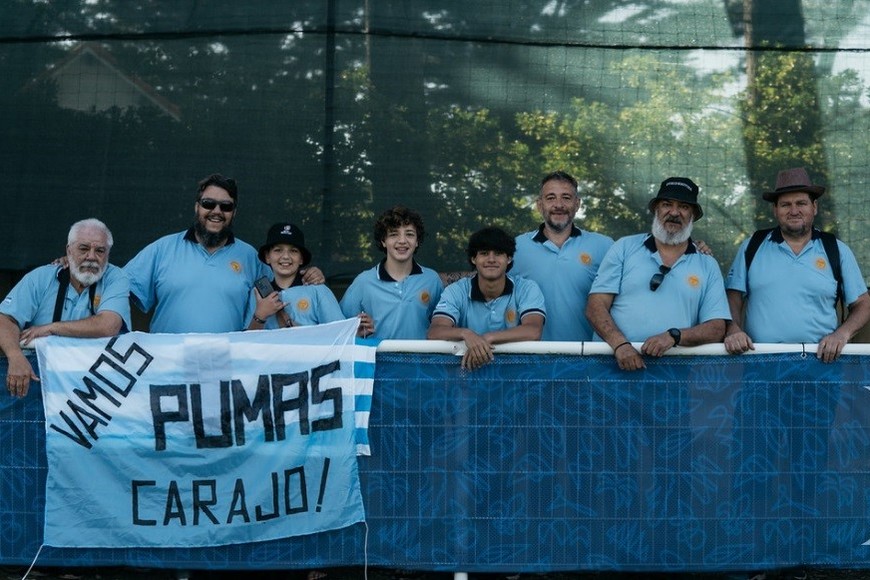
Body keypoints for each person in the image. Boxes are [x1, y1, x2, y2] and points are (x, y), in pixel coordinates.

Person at [124, 174, 322, 333]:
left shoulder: (249, 256)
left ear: (233, 212)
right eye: (208, 203)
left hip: (227, 372)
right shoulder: (162, 249)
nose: (216, 211)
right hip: (170, 368)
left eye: (226, 206)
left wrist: (308, 275)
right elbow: (119, 289)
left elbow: (280, 284)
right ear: (197, 206)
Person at [724, 167, 870, 362]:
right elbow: (733, 297)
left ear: (814, 207)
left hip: (821, 363)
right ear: (775, 210)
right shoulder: (752, 246)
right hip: (759, 362)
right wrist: (733, 328)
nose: (794, 211)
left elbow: (863, 304)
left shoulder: (836, 249)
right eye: (786, 205)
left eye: (801, 203)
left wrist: (842, 335)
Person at [586, 177, 730, 371]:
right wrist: (620, 345)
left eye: (684, 207)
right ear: (656, 209)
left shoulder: (708, 264)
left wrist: (673, 336)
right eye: (667, 204)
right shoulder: (624, 247)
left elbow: (716, 327)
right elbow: (595, 306)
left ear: (693, 215)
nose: (674, 212)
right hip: (613, 365)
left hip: (675, 372)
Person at [1, 218, 131, 397]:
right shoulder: (41, 277)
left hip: (96, 391)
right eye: (83, 248)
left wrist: (51, 328)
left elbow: (108, 325)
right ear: (69, 250)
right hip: (39, 388)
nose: (91, 256)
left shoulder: (116, 278)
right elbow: (5, 318)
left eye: (100, 250)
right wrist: (15, 356)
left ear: (108, 254)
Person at [512, 170, 614, 341]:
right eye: (550, 198)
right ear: (539, 205)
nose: (558, 204)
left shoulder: (605, 246)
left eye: (566, 197)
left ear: (577, 204)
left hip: (590, 357)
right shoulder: (515, 248)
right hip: (530, 356)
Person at [428, 226, 546, 370]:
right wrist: (467, 334)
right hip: (468, 376)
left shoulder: (527, 288)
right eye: (484, 253)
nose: (491, 259)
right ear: (473, 258)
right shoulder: (456, 291)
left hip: (516, 375)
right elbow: (435, 332)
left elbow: (533, 330)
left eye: (498, 253)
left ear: (508, 258)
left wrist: (487, 338)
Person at [340, 206, 443, 339]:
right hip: (378, 359)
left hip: (421, 359)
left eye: (410, 234)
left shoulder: (432, 280)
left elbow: (443, 326)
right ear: (383, 241)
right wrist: (357, 332)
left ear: (417, 241)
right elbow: (342, 328)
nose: (402, 241)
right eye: (394, 234)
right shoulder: (363, 281)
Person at [249, 222, 343, 329]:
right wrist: (260, 316)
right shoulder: (258, 294)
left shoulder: (318, 291)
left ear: (301, 258)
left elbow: (340, 333)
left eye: (293, 251)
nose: (285, 256)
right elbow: (247, 342)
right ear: (267, 257)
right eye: (278, 250)